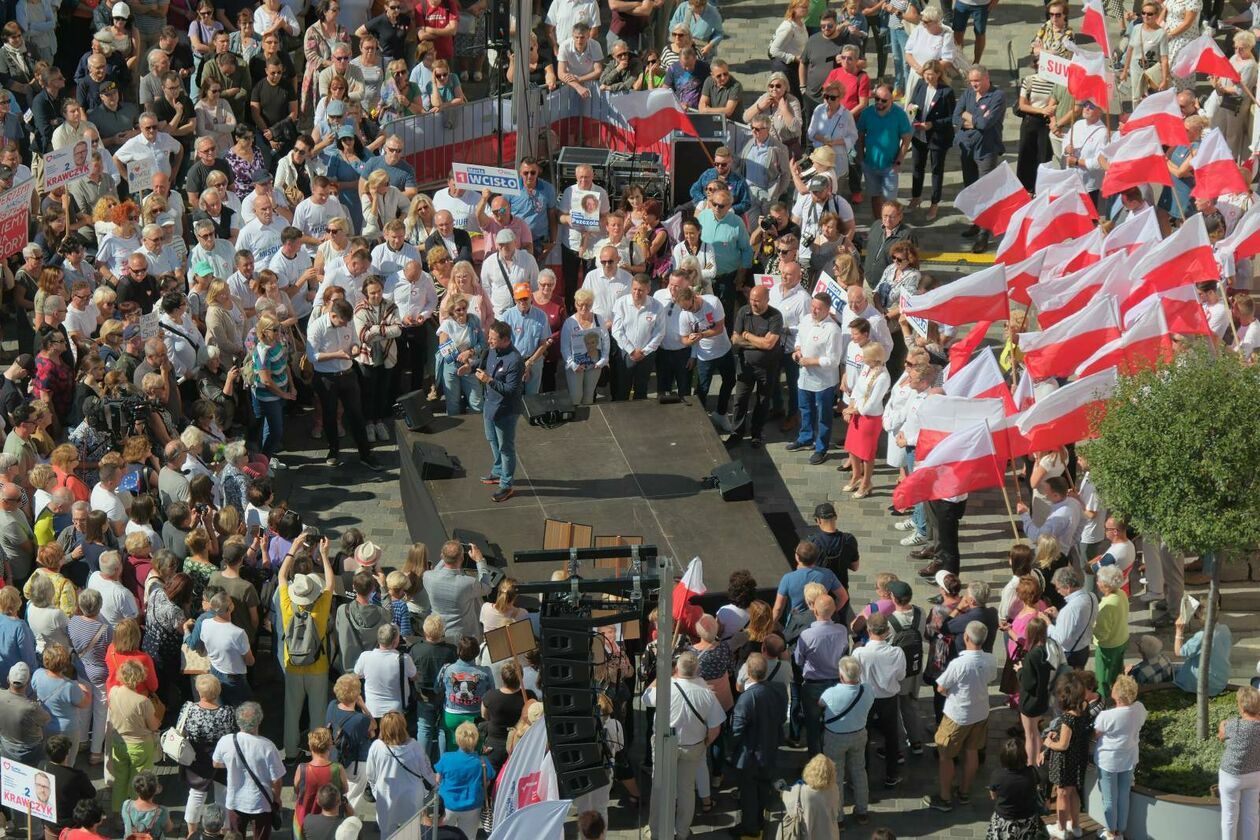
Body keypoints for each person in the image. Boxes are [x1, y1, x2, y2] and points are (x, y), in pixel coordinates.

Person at [641, 651, 723, 840]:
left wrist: (661, 677)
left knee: (660, 787)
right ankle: (682, 831)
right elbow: (715, 728)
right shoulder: (706, 693)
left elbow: (646, 697)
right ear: (697, 670)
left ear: (677, 668)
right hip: (693, 746)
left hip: (665, 743)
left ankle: (657, 832)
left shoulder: (666, 687)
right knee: (686, 789)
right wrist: (705, 743)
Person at [926, 620, 996, 812]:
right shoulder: (990, 659)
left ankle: (945, 798)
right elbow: (990, 678)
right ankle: (964, 792)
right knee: (972, 751)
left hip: (957, 716)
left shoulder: (959, 663)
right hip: (980, 712)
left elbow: (941, 687)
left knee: (945, 756)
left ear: (966, 637)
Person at [213, 702, 284, 840]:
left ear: (238, 721)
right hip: (261, 802)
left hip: (235, 801)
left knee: (236, 837)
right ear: (259, 721)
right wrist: (277, 798)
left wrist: (233, 764)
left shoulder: (225, 741)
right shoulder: (267, 746)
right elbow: (277, 779)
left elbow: (216, 763)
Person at [953, 66, 1006, 252]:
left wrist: (969, 117)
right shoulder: (968, 93)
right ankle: (976, 222)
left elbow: (986, 123)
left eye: (977, 80)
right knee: (972, 189)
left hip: (986, 150)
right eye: (971, 81)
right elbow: (956, 116)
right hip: (967, 147)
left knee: (986, 192)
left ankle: (984, 234)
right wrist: (973, 119)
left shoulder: (997, 96)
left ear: (986, 78)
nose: (974, 84)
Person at [786, 293, 843, 465]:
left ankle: (821, 448)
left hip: (823, 382)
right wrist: (797, 350)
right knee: (805, 409)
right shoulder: (805, 320)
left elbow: (834, 360)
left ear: (827, 310)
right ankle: (805, 438)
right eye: (813, 307)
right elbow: (799, 338)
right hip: (804, 377)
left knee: (823, 416)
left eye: (819, 308)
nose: (814, 311)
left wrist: (812, 361)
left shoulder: (833, 330)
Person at [179, 675, 238, 839]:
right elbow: (232, 733)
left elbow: (181, 730)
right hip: (220, 758)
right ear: (218, 691)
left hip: (196, 757)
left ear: (199, 691)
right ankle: (224, 829)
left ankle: (191, 831)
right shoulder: (227, 712)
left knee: (196, 794)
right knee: (223, 794)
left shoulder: (189, 708)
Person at [819, 654, 873, 825]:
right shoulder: (868, 690)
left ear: (841, 676)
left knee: (836, 777)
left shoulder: (831, 692)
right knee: (859, 771)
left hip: (835, 737)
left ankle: (838, 817)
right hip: (859, 734)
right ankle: (862, 811)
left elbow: (820, 703)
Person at [365, 711, 435, 839]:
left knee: (386, 832)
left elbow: (370, 774)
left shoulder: (376, 747)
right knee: (412, 832)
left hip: (386, 794)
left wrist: (376, 791)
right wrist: (434, 785)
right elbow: (426, 770)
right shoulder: (415, 746)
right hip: (412, 796)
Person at [476, 321, 524, 504]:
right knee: (492, 440)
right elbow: (483, 366)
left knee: (506, 448)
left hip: (505, 411)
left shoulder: (515, 360)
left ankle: (506, 484)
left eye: (493, 338)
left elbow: (511, 390)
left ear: (505, 340)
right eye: (489, 337)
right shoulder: (492, 350)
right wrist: (471, 367)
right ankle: (497, 472)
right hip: (490, 406)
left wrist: (489, 380)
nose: (489, 340)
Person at [1094, 674, 1146, 840]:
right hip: (1129, 759)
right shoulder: (1139, 709)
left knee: (1109, 799)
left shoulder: (1106, 716)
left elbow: (1096, 734)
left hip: (1108, 761)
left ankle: (1111, 832)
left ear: (1116, 694)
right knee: (1124, 796)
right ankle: (1120, 831)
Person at [106, 659, 160, 811]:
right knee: (139, 782)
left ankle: (117, 813)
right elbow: (153, 725)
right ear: (139, 677)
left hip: (119, 742)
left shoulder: (113, 692)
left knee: (120, 780)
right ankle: (134, 813)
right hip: (140, 745)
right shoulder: (143, 701)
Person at [1046, 673, 1092, 839]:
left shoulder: (1067, 718)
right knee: (1073, 793)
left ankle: (1061, 827)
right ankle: (1076, 825)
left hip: (1065, 761)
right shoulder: (1085, 707)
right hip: (1078, 758)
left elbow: (1063, 744)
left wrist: (1049, 743)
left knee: (1062, 794)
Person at [433, 722, 493, 838]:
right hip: (472, 806)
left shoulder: (446, 757)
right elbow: (487, 782)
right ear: (475, 740)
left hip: (447, 805)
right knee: (468, 837)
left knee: (443, 837)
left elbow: (437, 780)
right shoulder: (483, 761)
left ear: (457, 739)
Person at [1218, 685, 1260, 840]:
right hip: (1255, 775)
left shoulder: (1234, 725)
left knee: (1229, 817)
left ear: (1242, 706)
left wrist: (1222, 723)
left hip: (1231, 775)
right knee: (1251, 815)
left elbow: (1221, 735)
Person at [985, 739, 1047, 840]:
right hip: (1027, 819)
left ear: (1003, 757)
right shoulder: (1032, 772)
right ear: (1024, 756)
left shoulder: (997, 775)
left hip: (1004, 819)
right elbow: (1037, 786)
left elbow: (993, 796)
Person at [1093, 566, 1130, 698]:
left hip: (1109, 645)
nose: (1097, 582)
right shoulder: (1122, 593)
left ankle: (1103, 700)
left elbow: (1102, 634)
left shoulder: (1106, 606)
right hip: (1122, 638)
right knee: (1117, 671)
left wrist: (1091, 629)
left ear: (1106, 586)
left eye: (1099, 580)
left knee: (1102, 676)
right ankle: (1119, 694)